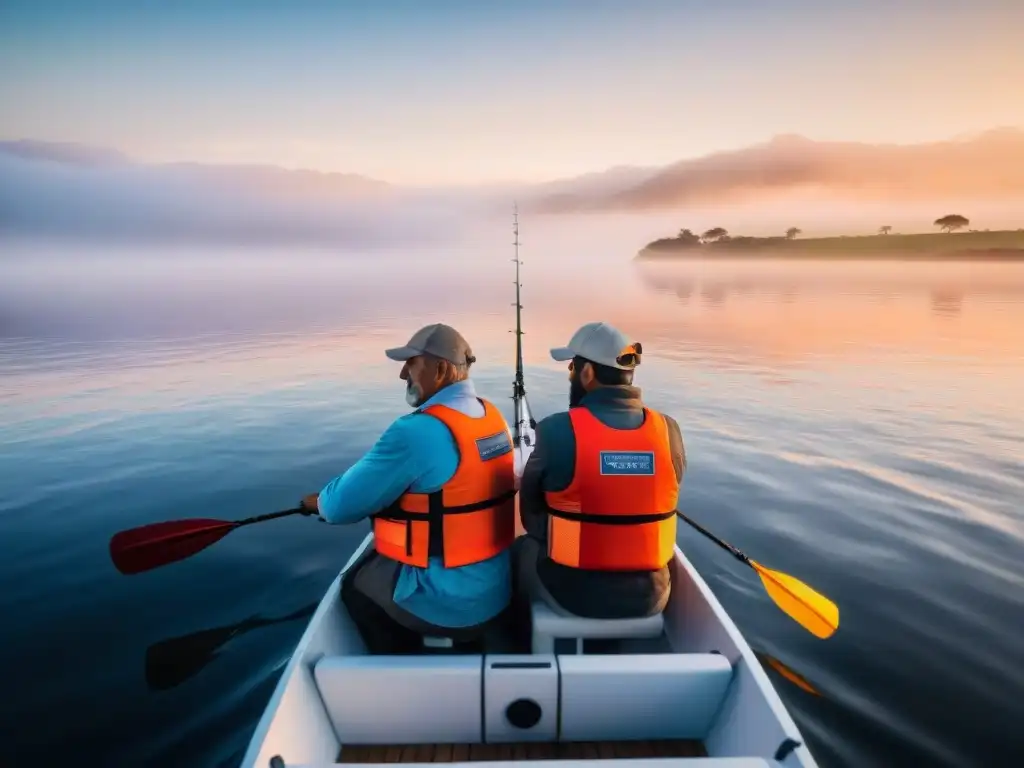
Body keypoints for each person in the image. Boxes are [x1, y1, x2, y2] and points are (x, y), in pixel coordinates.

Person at [300, 323, 518, 653]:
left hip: (449, 605)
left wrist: (318, 502)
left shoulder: (415, 432)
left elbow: (339, 508)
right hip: (498, 588)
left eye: (411, 363)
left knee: (355, 587)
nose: (403, 374)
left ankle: (402, 664)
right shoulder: (492, 416)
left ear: (441, 369)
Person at [515, 321, 687, 622]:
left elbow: (532, 518)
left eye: (571, 367)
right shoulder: (668, 430)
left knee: (520, 549)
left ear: (587, 373)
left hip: (574, 594)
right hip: (652, 596)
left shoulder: (556, 429)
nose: (570, 375)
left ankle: (512, 638)